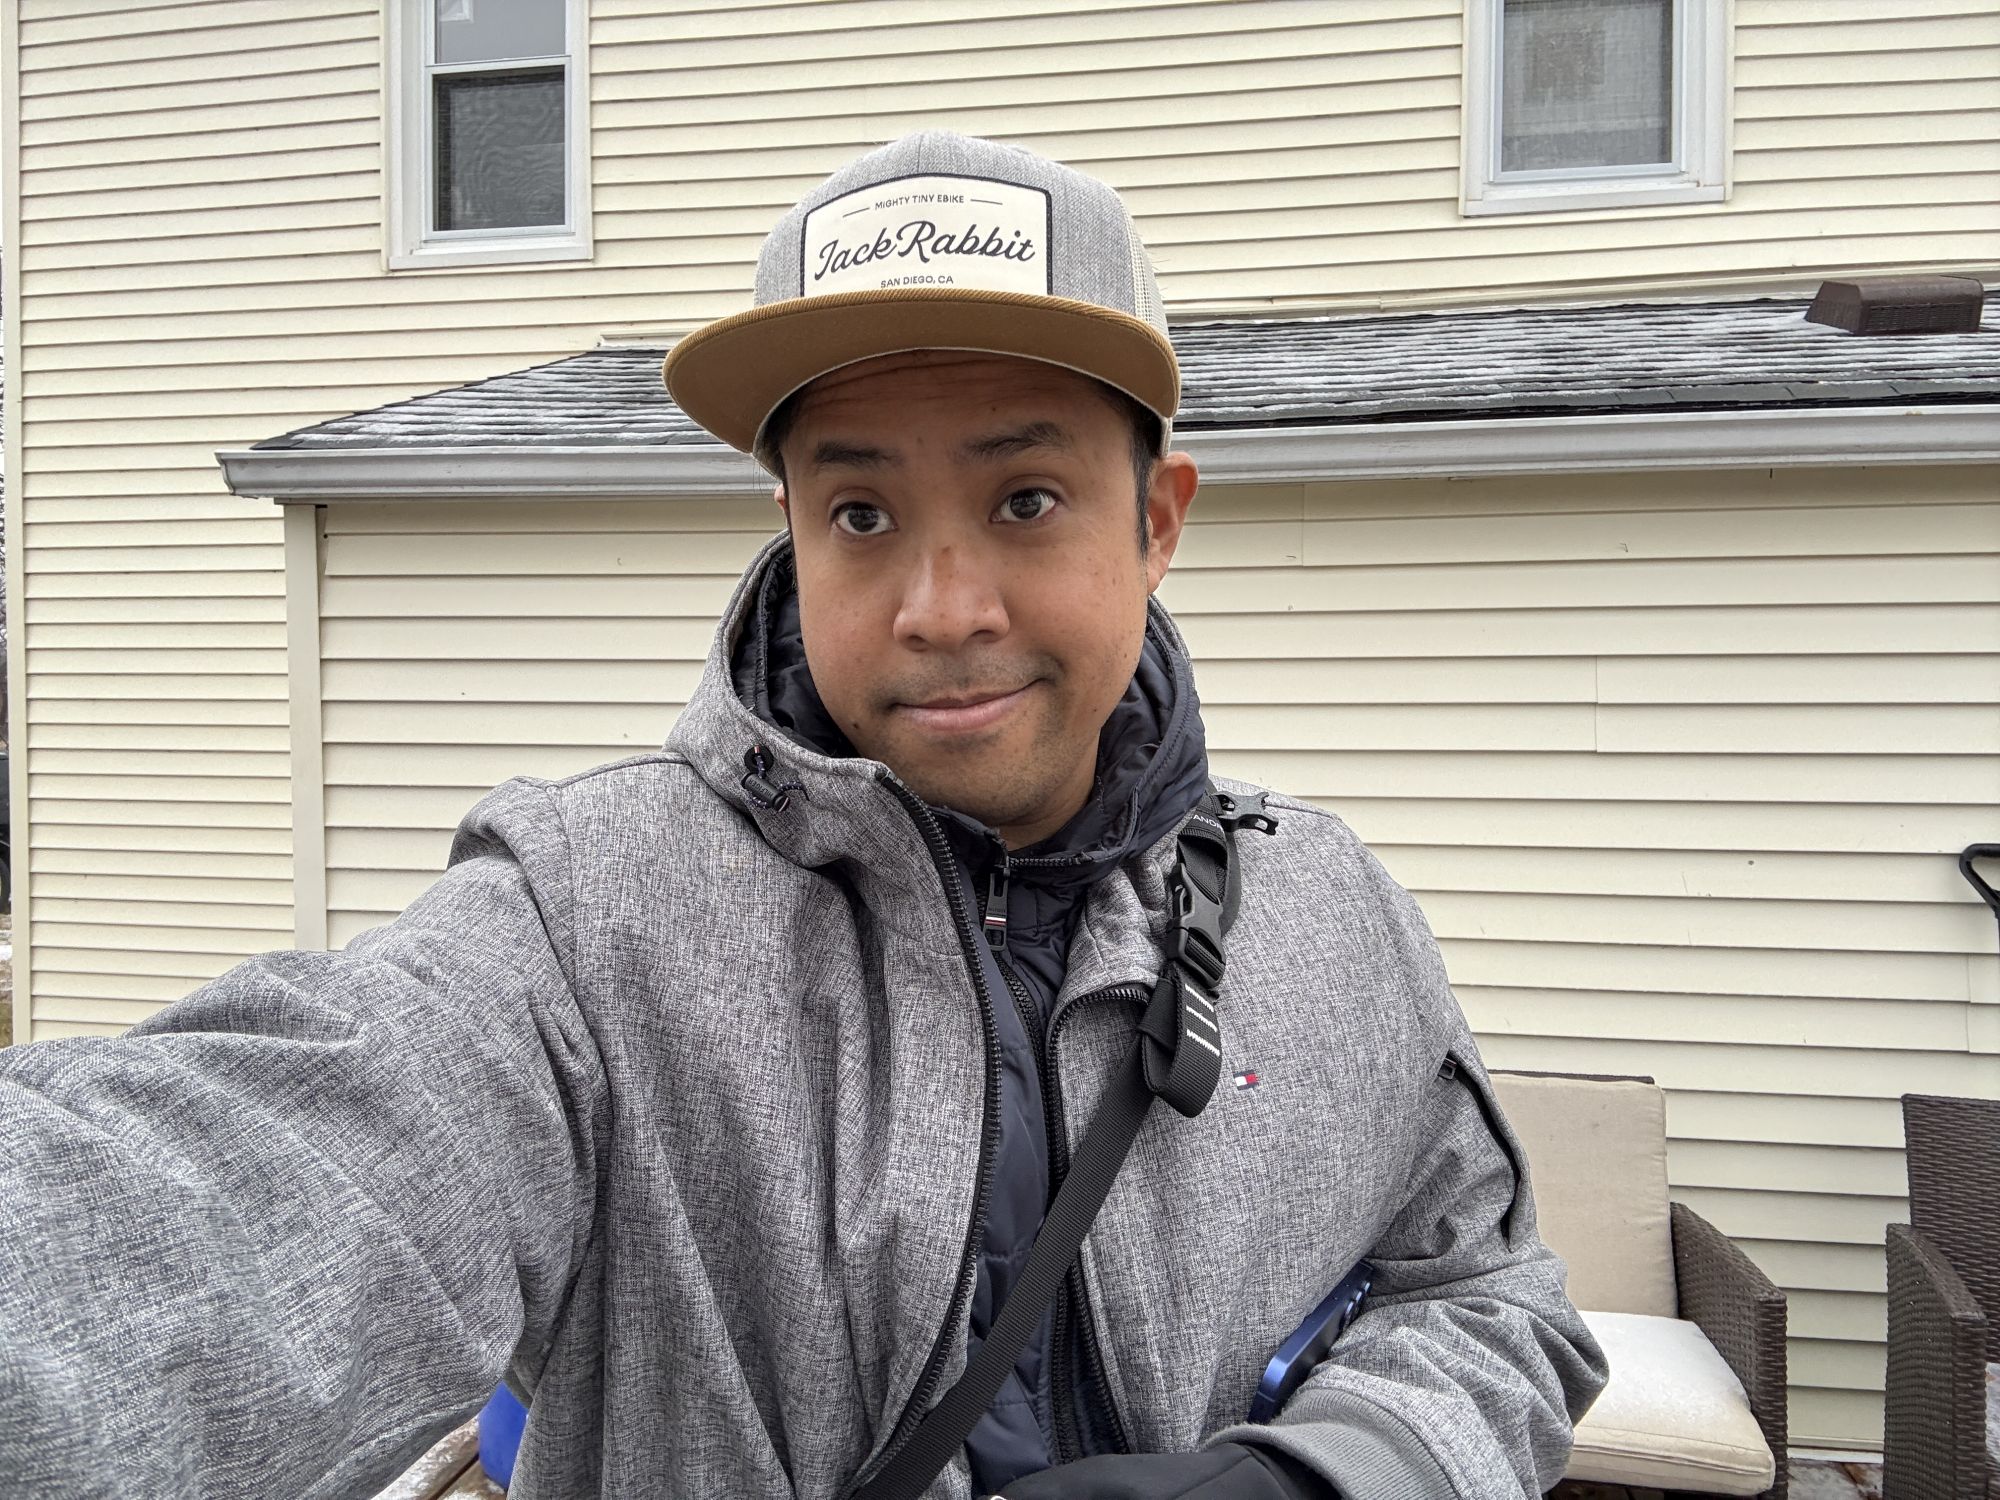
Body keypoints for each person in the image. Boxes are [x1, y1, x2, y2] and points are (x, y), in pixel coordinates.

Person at [0, 132, 1604, 1500]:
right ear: (788, 527)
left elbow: (1493, 1298)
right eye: (861, 511)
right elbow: (240, 1195)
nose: (942, 604)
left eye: (1026, 498)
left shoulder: (1330, 914)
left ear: (1157, 520)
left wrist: (1324, 1475)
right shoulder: (588, 927)